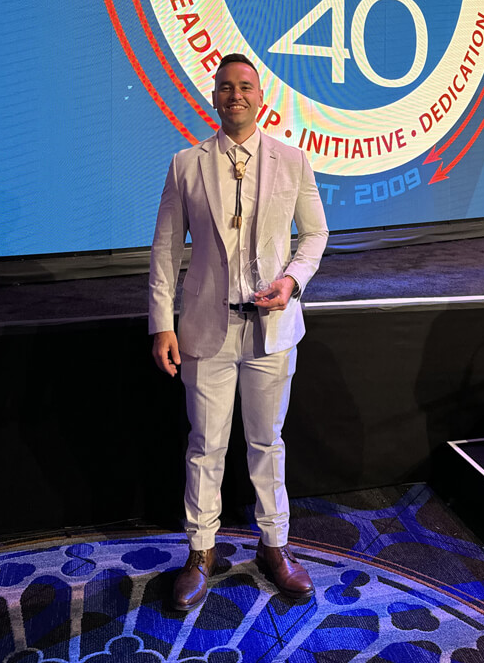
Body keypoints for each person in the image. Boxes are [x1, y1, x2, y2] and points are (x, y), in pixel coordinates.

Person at [149, 53, 329, 611]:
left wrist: (292, 283)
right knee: (206, 445)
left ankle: (274, 546)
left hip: (272, 329)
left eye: (245, 86)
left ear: (261, 97)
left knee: (266, 442)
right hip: (206, 328)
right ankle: (200, 552)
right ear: (214, 97)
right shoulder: (186, 164)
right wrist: (161, 325)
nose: (235, 95)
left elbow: (316, 234)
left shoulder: (292, 160)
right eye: (225, 87)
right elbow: (164, 250)